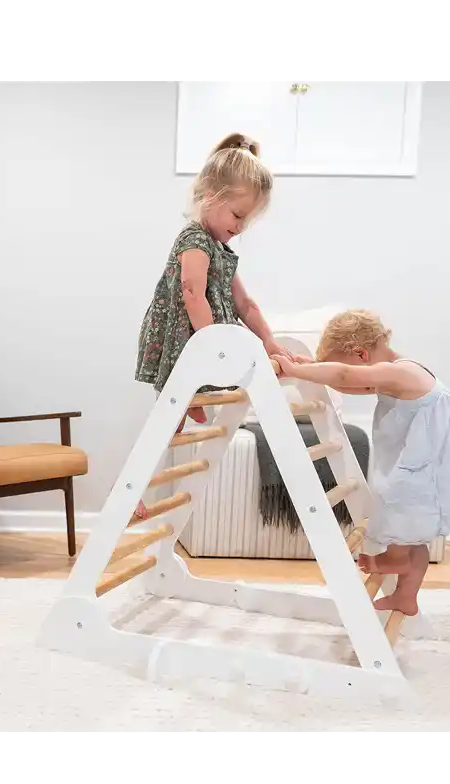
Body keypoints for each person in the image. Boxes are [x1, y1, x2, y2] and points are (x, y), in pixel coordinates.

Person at [272, 309, 450, 616]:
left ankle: (397, 559)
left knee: (396, 504)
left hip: (425, 463)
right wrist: (312, 368)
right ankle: (406, 596)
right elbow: (351, 382)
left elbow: (347, 377)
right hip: (423, 458)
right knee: (413, 533)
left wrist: (297, 372)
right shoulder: (389, 373)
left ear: (361, 353)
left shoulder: (402, 373)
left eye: (342, 364)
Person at [134, 132, 293, 519]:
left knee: (181, 408)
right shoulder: (194, 240)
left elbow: (244, 303)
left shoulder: (221, 249)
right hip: (184, 338)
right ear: (210, 196)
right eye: (237, 216)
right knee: (166, 420)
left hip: (202, 338)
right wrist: (212, 344)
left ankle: (194, 398)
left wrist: (270, 341)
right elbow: (192, 291)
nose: (240, 227)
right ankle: (131, 490)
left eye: (247, 221)